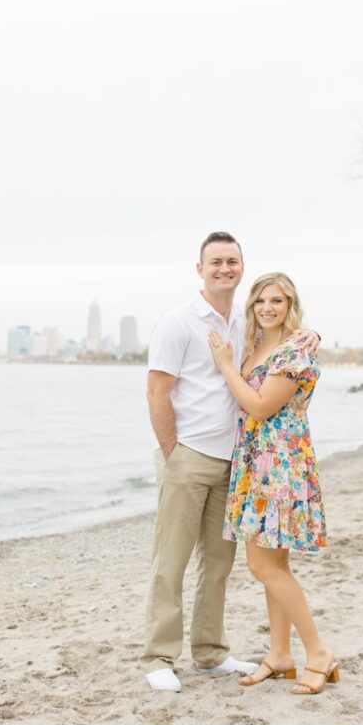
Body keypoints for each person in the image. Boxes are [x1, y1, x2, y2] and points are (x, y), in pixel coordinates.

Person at [140, 231, 319, 692]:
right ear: (200, 269)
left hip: (237, 465)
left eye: (232, 262)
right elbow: (157, 390)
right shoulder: (178, 323)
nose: (224, 269)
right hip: (189, 456)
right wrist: (171, 452)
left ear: (241, 268)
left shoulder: (246, 324)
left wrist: (312, 333)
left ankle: (210, 652)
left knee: (218, 565)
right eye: (215, 262)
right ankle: (160, 656)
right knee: (171, 561)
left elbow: (288, 343)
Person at [207, 272, 337, 695]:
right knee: (275, 567)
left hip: (278, 465)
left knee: (263, 566)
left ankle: (318, 652)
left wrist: (226, 367)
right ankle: (280, 654)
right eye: (261, 300)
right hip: (255, 463)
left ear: (290, 304)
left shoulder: (295, 349)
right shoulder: (257, 343)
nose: (267, 307)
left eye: (277, 301)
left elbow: (261, 406)